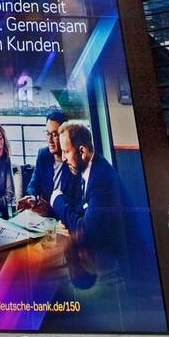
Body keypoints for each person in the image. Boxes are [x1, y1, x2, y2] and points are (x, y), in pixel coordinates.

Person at [50, 120, 124, 284]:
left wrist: (56, 200)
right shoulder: (89, 170)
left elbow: (85, 231)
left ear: (82, 151)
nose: (63, 158)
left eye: (66, 152)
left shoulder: (100, 178)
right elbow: (81, 212)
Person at [17, 111, 64, 214]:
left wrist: (51, 210)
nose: (50, 140)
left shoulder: (72, 160)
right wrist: (32, 198)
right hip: (43, 216)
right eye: (48, 133)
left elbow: (73, 203)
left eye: (55, 135)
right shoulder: (43, 154)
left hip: (63, 218)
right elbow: (33, 184)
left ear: (64, 135)